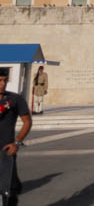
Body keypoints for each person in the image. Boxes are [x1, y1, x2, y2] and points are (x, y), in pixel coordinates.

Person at [1, 68, 32, 206]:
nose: (3, 84)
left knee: (9, 190)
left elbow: (27, 121)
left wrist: (17, 143)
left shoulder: (15, 99)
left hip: (6, 150)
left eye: (4, 80)